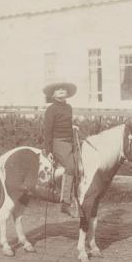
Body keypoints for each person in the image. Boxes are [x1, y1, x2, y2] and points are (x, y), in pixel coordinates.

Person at [42, 81, 79, 217]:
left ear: (67, 92)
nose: (61, 90)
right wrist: (49, 150)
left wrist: (73, 127)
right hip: (58, 142)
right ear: (53, 94)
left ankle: (79, 198)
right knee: (70, 167)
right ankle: (65, 202)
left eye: (63, 89)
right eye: (58, 89)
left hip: (70, 141)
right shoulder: (51, 109)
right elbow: (48, 131)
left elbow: (66, 124)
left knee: (82, 165)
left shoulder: (68, 107)